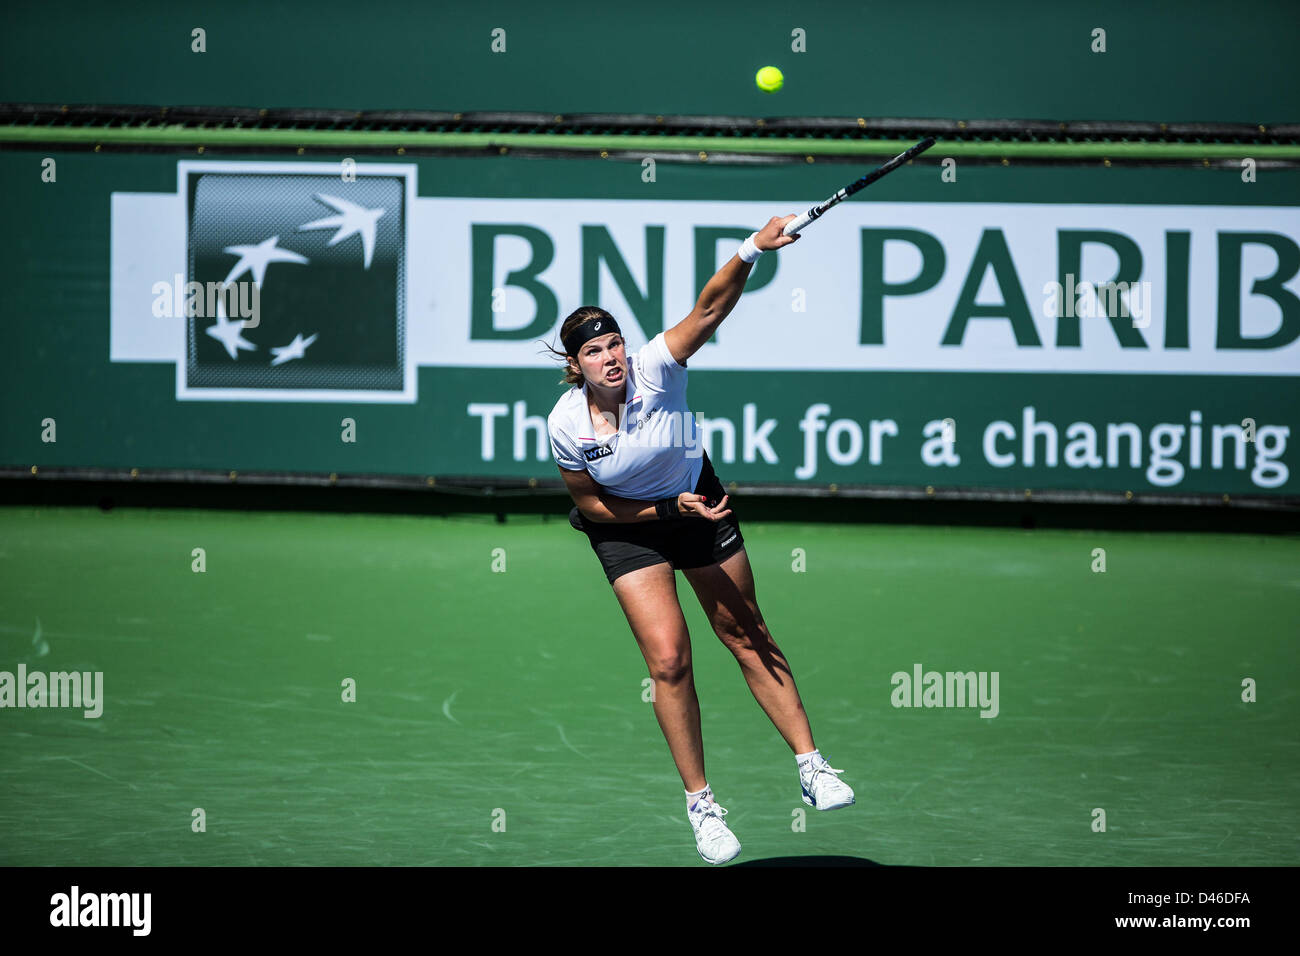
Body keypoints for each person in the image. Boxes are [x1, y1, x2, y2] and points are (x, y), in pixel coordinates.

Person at [543, 215, 855, 865]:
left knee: (745, 631)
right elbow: (592, 505)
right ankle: (703, 807)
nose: (613, 357)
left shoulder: (658, 368)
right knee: (669, 659)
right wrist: (660, 509)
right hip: (627, 526)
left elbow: (710, 307)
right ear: (576, 366)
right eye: (596, 351)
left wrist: (751, 249)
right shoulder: (566, 424)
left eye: (616, 344)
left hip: (700, 503)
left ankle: (812, 764)